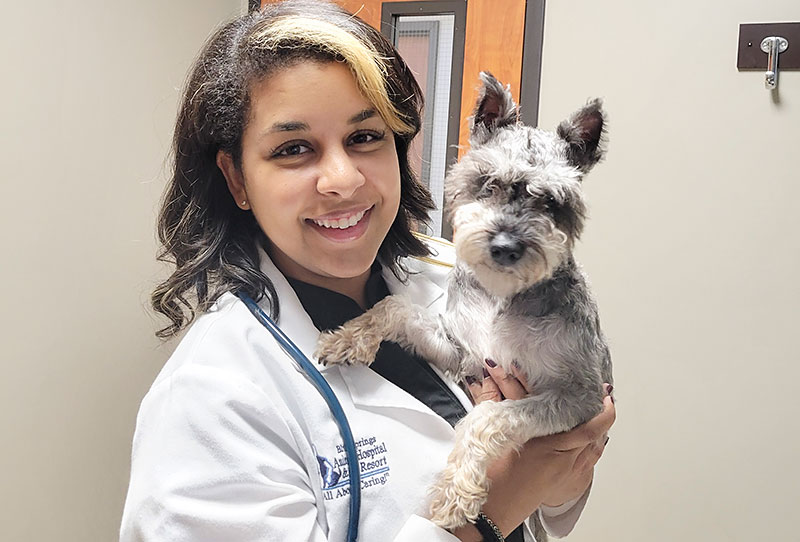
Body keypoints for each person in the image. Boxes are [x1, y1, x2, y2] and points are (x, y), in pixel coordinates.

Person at [119, 1, 616, 541]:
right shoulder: (209, 398)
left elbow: (554, 498)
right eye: (294, 148)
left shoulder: (458, 274)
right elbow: (514, 495)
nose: (342, 180)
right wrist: (490, 512)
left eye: (363, 137)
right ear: (236, 180)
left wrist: (562, 470)